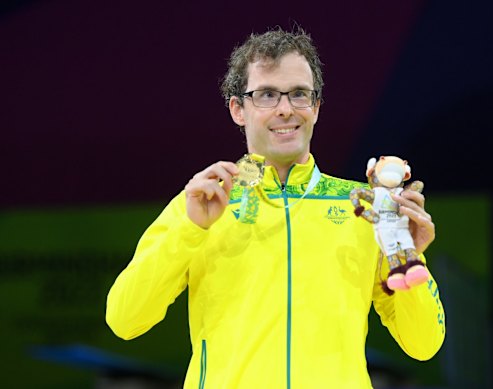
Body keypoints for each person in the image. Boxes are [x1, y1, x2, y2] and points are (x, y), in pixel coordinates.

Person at [106, 27, 445, 389]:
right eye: (267, 95)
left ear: (316, 107)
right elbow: (125, 320)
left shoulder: (364, 209)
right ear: (238, 108)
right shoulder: (202, 204)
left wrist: (410, 254)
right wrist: (190, 229)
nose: (285, 109)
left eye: (299, 94)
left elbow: (424, 345)